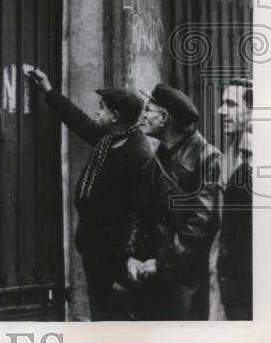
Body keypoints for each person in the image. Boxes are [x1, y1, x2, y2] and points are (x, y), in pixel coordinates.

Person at [26, 68, 174, 321]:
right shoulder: (109, 138)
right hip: (94, 248)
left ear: (115, 116)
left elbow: (145, 210)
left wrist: (131, 257)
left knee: (115, 321)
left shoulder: (139, 154)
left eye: (102, 108)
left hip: (117, 256)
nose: (97, 112)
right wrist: (49, 92)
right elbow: (79, 121)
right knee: (100, 315)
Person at [133, 83, 221, 320]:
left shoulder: (208, 158)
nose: (142, 115)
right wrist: (134, 256)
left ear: (163, 118)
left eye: (147, 109)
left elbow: (198, 224)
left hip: (185, 281)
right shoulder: (160, 153)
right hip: (152, 271)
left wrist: (161, 263)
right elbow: (142, 209)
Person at [216, 78, 253, 319]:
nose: (221, 111)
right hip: (232, 283)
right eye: (222, 104)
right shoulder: (227, 157)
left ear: (252, 111)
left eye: (230, 104)